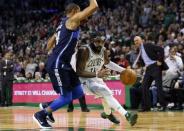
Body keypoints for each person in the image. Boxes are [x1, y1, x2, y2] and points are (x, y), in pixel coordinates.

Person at [41, 32, 138, 126]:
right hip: (82, 79)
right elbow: (79, 72)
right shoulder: (84, 50)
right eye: (97, 41)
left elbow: (107, 62)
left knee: (105, 94)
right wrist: (96, 74)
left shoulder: (103, 50)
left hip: (95, 77)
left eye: (102, 41)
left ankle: (108, 114)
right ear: (92, 41)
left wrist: (123, 70)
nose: (100, 44)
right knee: (105, 92)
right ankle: (126, 115)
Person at [33, 0, 99, 129]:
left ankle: (48, 105)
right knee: (66, 98)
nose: (82, 15)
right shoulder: (72, 20)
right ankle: (41, 114)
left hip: (64, 63)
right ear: (74, 11)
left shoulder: (62, 24)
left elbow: (48, 45)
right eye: (80, 12)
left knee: (79, 92)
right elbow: (94, 6)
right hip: (58, 62)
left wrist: (58, 47)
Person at [133, 36, 168, 112]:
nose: (136, 42)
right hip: (148, 69)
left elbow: (161, 49)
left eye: (137, 40)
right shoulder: (139, 50)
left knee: (159, 86)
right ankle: (146, 107)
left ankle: (163, 105)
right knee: (144, 87)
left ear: (141, 40)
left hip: (155, 66)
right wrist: (140, 66)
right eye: (135, 41)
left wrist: (160, 60)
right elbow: (144, 60)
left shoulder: (147, 45)